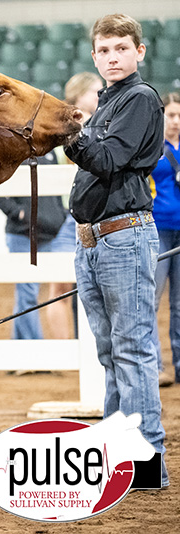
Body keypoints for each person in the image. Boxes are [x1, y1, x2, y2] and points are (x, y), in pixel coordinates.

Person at [64, 14, 169, 488]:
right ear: (94, 56)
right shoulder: (110, 103)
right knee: (112, 353)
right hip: (96, 238)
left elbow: (105, 159)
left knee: (131, 351)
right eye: (104, 50)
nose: (112, 57)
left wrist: (69, 134)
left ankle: (147, 463)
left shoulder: (141, 99)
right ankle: (116, 458)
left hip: (123, 236)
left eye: (121, 48)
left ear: (139, 52)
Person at [0, 152, 73, 344]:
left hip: (52, 232)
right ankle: (34, 348)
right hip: (22, 234)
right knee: (27, 293)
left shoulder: (53, 152)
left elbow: (62, 187)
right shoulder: (14, 152)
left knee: (36, 293)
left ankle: (22, 347)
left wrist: (60, 214)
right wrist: (17, 213)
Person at [150, 92, 180, 387]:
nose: (176, 121)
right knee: (152, 300)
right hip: (157, 229)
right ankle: (156, 366)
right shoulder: (153, 148)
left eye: (179, 116)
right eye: (170, 115)